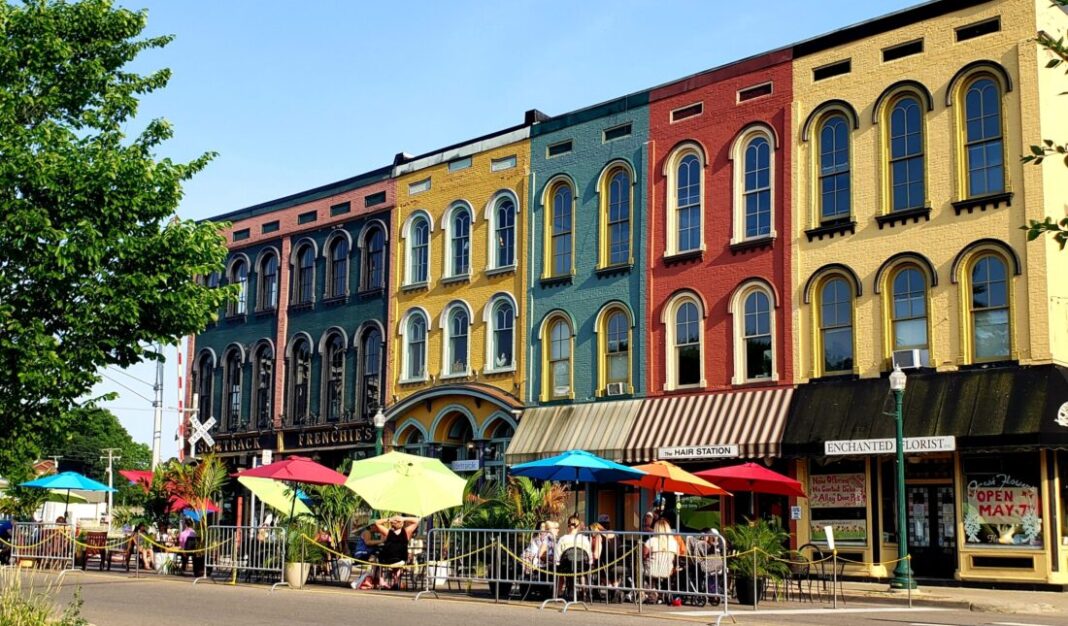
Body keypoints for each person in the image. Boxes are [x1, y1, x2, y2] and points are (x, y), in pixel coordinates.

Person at [372, 515, 419, 590]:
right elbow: (417, 521)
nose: (397, 522)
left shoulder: (403, 532)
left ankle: (392, 581)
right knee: (396, 564)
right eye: (396, 521)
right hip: (395, 559)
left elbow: (377, 523)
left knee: (380, 559)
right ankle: (395, 581)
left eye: (398, 521)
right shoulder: (402, 532)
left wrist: (394, 519)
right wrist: (399, 519)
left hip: (394, 559)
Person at [643, 518, 680, 603]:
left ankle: (651, 591)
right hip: (667, 571)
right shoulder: (674, 543)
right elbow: (676, 558)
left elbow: (644, 556)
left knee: (641, 567)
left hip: (652, 569)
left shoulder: (651, 541)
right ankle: (659, 592)